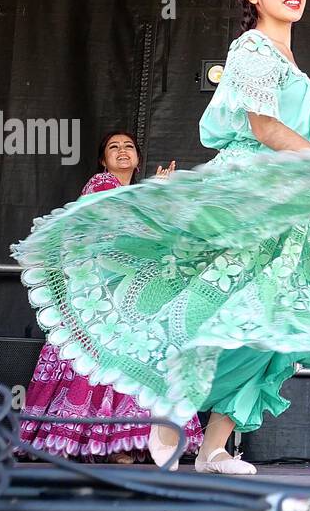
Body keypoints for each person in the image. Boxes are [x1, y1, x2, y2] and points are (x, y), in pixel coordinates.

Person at [12, 0, 310, 476]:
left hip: (285, 202)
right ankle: (174, 389)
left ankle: (215, 446)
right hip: (249, 190)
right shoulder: (253, 50)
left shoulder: (288, 60)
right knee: (213, 298)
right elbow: (264, 128)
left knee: (277, 322)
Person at [19, 131, 203, 463]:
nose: (122, 151)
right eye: (113, 148)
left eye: (129, 146)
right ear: (103, 160)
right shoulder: (101, 185)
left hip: (129, 295)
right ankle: (89, 442)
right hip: (99, 295)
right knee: (102, 363)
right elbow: (119, 226)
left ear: (138, 158)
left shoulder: (137, 193)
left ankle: (126, 444)